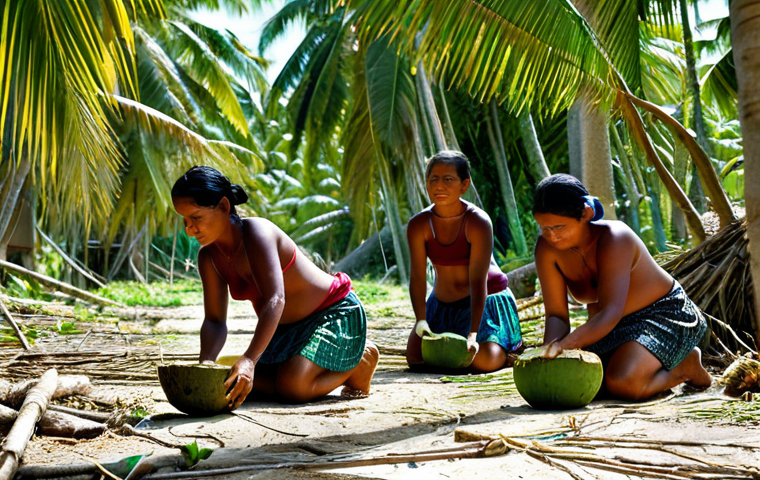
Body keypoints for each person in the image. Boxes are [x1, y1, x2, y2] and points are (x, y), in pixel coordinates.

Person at [171, 166, 379, 408]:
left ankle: (360, 360)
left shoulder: (257, 233)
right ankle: (297, 370)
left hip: (332, 312)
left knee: (294, 387)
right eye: (184, 220)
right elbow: (215, 321)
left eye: (196, 218)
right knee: (231, 382)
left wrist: (249, 359)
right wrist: (204, 367)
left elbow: (275, 299)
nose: (189, 229)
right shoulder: (209, 258)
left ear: (224, 207)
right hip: (283, 331)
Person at [533, 173, 712, 401]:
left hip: (664, 316)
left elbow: (610, 311)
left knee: (623, 383)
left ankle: (685, 367)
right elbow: (557, 315)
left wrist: (566, 345)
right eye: (544, 228)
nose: (552, 236)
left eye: (559, 227)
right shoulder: (546, 250)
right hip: (610, 327)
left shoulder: (615, 238)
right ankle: (642, 365)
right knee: (582, 385)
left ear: (586, 214)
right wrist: (548, 353)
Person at [406, 151, 523, 372]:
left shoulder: (477, 221)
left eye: (448, 179)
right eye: (434, 179)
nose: (439, 186)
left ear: (464, 184)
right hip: (441, 304)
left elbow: (478, 282)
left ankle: (504, 349)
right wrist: (421, 321)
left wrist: (473, 333)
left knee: (482, 361)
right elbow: (418, 278)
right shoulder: (418, 224)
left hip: (485, 301)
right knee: (416, 359)